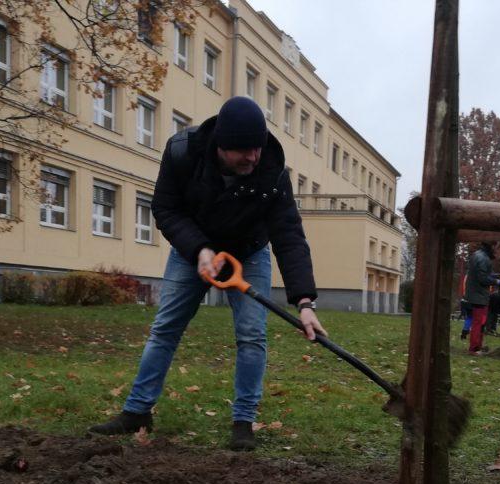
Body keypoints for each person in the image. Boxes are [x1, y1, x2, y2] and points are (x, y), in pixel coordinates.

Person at [89, 96, 325, 450]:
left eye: (257, 148)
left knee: (251, 336)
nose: (253, 157)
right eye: (243, 151)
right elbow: (166, 208)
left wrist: (305, 302)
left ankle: (243, 421)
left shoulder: (272, 170)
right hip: (193, 249)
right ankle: (137, 411)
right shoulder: (184, 152)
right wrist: (199, 249)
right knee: (165, 329)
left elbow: (289, 235)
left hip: (248, 253)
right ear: (220, 147)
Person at [463, 243, 500, 354]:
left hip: (475, 294)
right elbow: (482, 278)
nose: (496, 249)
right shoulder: (483, 258)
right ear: (490, 246)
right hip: (479, 296)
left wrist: (494, 276)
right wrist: (496, 281)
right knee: (479, 322)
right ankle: (474, 348)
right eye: (495, 246)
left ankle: (477, 346)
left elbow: (482, 274)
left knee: (479, 322)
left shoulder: (477, 255)